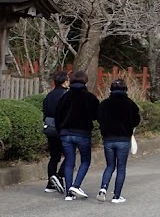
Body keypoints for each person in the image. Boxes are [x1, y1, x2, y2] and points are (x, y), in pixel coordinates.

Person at [53, 69, 101, 201]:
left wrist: (60, 131)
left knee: (69, 161)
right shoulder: (90, 98)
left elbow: (58, 116)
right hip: (83, 133)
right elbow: (96, 115)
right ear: (85, 81)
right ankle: (76, 185)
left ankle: (69, 194)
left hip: (65, 133)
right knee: (85, 160)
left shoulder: (64, 97)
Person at [96, 78, 141, 204]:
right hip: (123, 139)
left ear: (111, 89)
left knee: (110, 166)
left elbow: (99, 118)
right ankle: (116, 196)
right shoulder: (130, 104)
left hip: (108, 139)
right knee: (121, 168)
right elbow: (136, 121)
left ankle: (103, 188)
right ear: (125, 89)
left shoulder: (104, 104)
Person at [41, 70, 69, 193]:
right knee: (69, 156)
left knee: (54, 157)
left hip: (50, 127)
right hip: (62, 128)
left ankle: (50, 183)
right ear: (64, 82)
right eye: (67, 80)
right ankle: (58, 176)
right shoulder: (66, 95)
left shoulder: (49, 95)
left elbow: (45, 111)